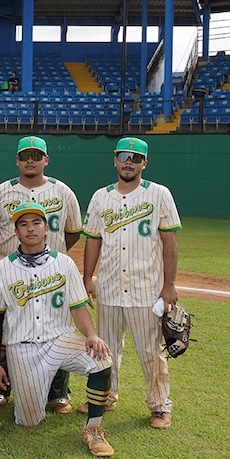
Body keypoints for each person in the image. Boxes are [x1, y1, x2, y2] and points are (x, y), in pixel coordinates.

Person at [0, 202, 114, 457]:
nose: (30, 229)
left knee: (101, 359)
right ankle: (33, 392)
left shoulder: (64, 264)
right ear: (16, 232)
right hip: (22, 349)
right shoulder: (2, 269)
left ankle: (94, 428)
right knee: (29, 420)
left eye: (36, 223)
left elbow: (77, 307)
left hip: (59, 340)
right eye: (23, 224)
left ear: (46, 229)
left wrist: (92, 335)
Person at [80, 137, 181, 429]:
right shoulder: (101, 196)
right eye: (124, 156)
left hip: (146, 289)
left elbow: (169, 242)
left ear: (144, 163)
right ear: (115, 160)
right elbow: (93, 240)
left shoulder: (159, 194)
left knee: (151, 352)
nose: (129, 162)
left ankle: (160, 406)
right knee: (106, 349)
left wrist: (169, 285)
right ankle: (105, 396)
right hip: (110, 288)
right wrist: (88, 277)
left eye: (135, 158)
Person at [0, 136, 83, 413]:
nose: (30, 159)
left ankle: (58, 391)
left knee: (58, 328)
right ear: (17, 160)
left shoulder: (63, 192)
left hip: (53, 272)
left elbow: (72, 233)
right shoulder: (1, 193)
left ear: (46, 160)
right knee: (6, 328)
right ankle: (1, 387)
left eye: (36, 155)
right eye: (25, 155)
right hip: (12, 271)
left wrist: (54, 256)